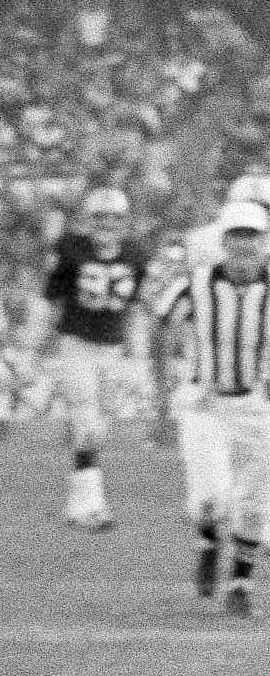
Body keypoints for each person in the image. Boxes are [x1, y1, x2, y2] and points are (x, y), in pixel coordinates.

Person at [152, 201, 270, 616]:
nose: (244, 245)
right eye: (236, 236)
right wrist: (162, 400)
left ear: (265, 241)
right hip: (205, 402)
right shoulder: (194, 284)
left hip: (256, 406)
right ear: (223, 240)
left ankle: (240, 583)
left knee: (254, 501)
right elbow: (160, 331)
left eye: (251, 236)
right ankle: (211, 541)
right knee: (209, 500)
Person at [27, 186, 152, 531]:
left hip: (113, 349)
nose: (107, 223)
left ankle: (80, 503)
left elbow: (137, 305)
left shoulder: (137, 254)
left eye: (114, 217)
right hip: (77, 344)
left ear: (125, 221)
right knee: (87, 422)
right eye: (99, 216)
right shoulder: (70, 249)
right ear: (87, 219)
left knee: (99, 427)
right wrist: (36, 344)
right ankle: (89, 505)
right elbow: (50, 297)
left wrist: (136, 351)